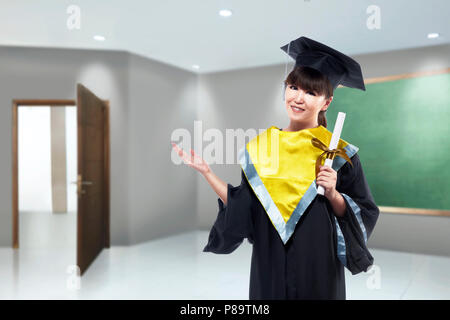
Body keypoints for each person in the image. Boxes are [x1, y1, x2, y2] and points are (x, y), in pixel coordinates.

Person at [171, 36, 379, 300]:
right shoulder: (262, 147)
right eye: (293, 87)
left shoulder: (339, 153)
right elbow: (243, 207)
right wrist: (207, 172)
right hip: (269, 258)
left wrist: (333, 194)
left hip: (318, 260)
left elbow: (365, 211)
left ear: (326, 102)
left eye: (311, 92)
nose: (298, 98)